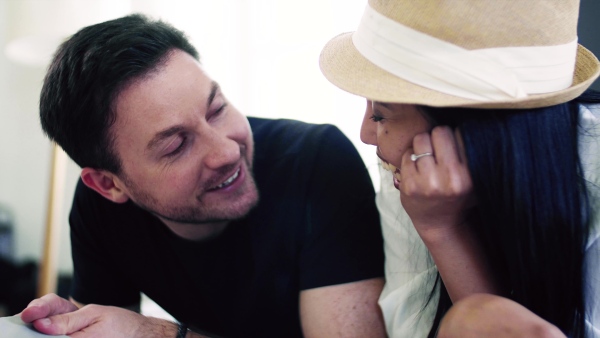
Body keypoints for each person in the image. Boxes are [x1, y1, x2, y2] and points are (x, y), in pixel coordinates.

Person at [19, 14, 387, 338]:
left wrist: (162, 335)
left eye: (216, 109)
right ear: (109, 184)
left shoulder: (317, 161)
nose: (227, 151)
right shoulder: (100, 209)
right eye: (177, 145)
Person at [319, 0, 600, 337]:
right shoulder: (413, 172)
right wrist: (441, 230)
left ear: (474, 129)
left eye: (380, 114)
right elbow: (412, 327)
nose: (366, 134)